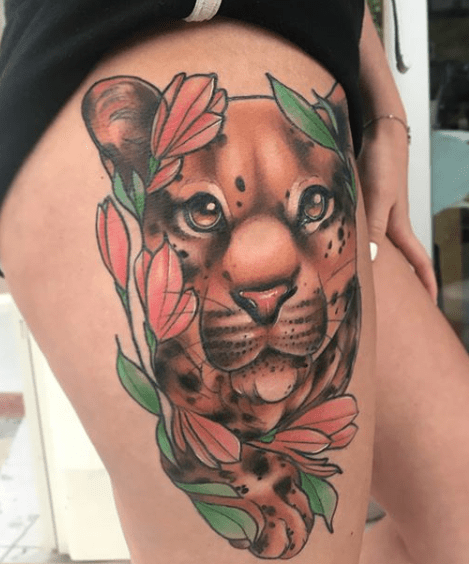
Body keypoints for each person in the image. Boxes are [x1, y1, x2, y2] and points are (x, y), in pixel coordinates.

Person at [0, 2, 468, 563]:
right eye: (201, 210)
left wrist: (384, 108)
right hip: (134, 39)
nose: (262, 279)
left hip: (311, 85)